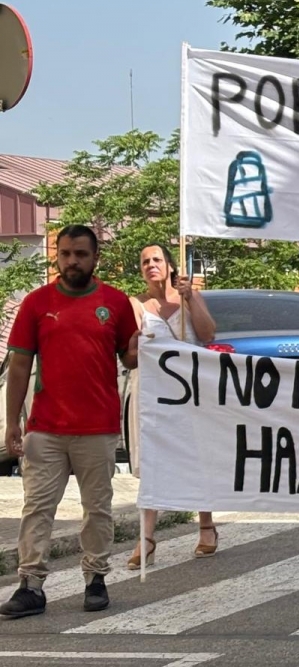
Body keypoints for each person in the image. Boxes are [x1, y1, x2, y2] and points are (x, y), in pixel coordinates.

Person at [1, 225, 140, 618]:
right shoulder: (36, 303)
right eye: (65, 254)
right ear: (57, 256)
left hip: (97, 427)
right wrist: (12, 422)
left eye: (80, 254)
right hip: (45, 428)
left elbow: (129, 358)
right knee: (37, 508)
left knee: (97, 508)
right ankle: (30, 586)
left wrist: (139, 348)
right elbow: (19, 364)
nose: (72, 261)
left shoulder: (115, 302)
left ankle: (95, 579)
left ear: (95, 258)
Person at [126, 244, 218, 569]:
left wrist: (190, 298)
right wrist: (137, 346)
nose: (151, 265)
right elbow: (129, 354)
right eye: (145, 261)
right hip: (154, 393)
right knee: (154, 461)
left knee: (197, 456)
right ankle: (146, 538)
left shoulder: (189, 297)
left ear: (169, 265)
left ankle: (206, 525)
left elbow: (207, 334)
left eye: (156, 259)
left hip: (190, 391)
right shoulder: (136, 304)